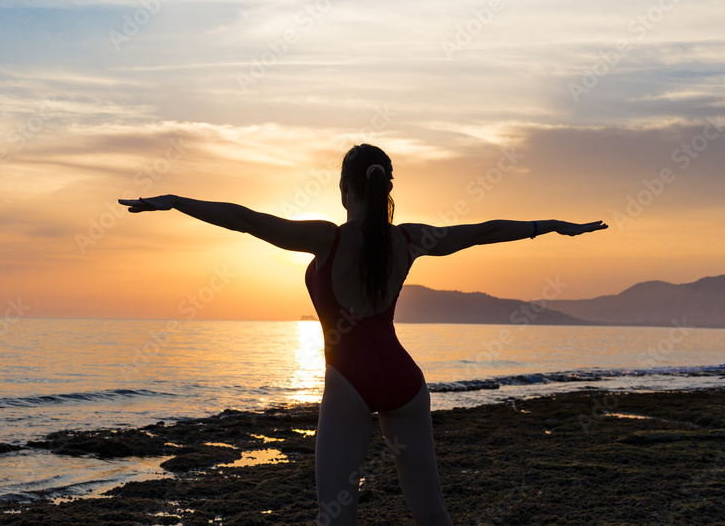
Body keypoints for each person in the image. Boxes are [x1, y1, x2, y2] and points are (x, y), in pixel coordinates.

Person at [118, 143, 607, 525]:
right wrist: (553, 225)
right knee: (432, 516)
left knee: (336, 519)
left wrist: (177, 202)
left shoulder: (326, 237)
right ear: (386, 190)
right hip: (405, 382)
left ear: (344, 189)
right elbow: (481, 230)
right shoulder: (409, 239)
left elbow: (248, 221)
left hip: (349, 382)